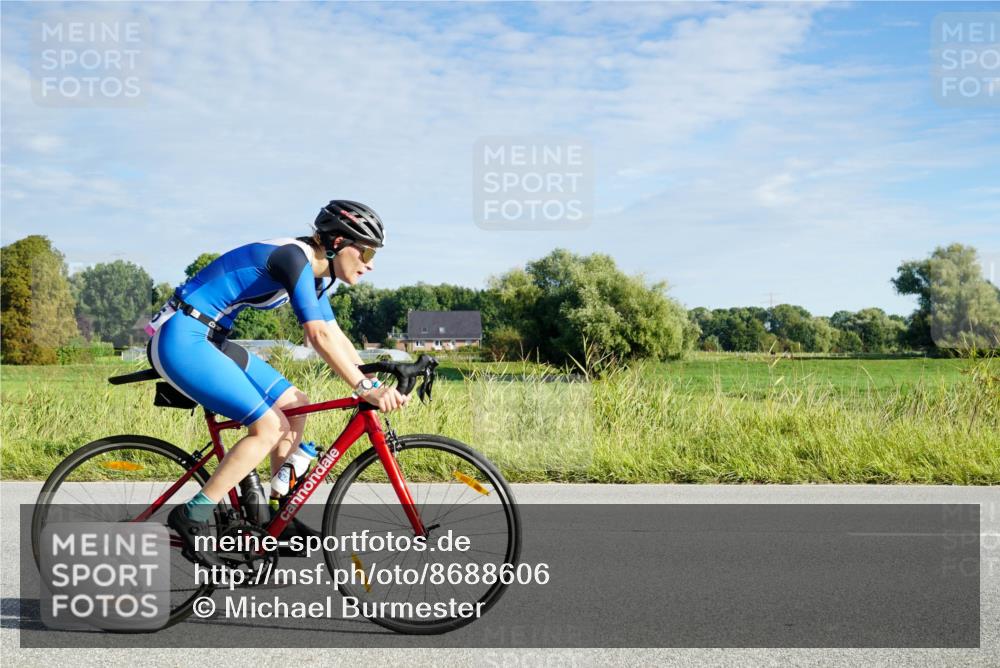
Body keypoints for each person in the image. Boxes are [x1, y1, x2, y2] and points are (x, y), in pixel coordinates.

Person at [151, 200, 409, 566]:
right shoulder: (294, 259)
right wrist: (363, 388)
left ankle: (275, 516)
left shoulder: (316, 276)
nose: (370, 264)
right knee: (269, 426)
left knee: (295, 403)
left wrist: (371, 381)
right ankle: (192, 513)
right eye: (365, 251)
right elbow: (316, 336)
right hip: (182, 337)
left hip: (211, 340)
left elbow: (336, 336)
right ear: (337, 242)